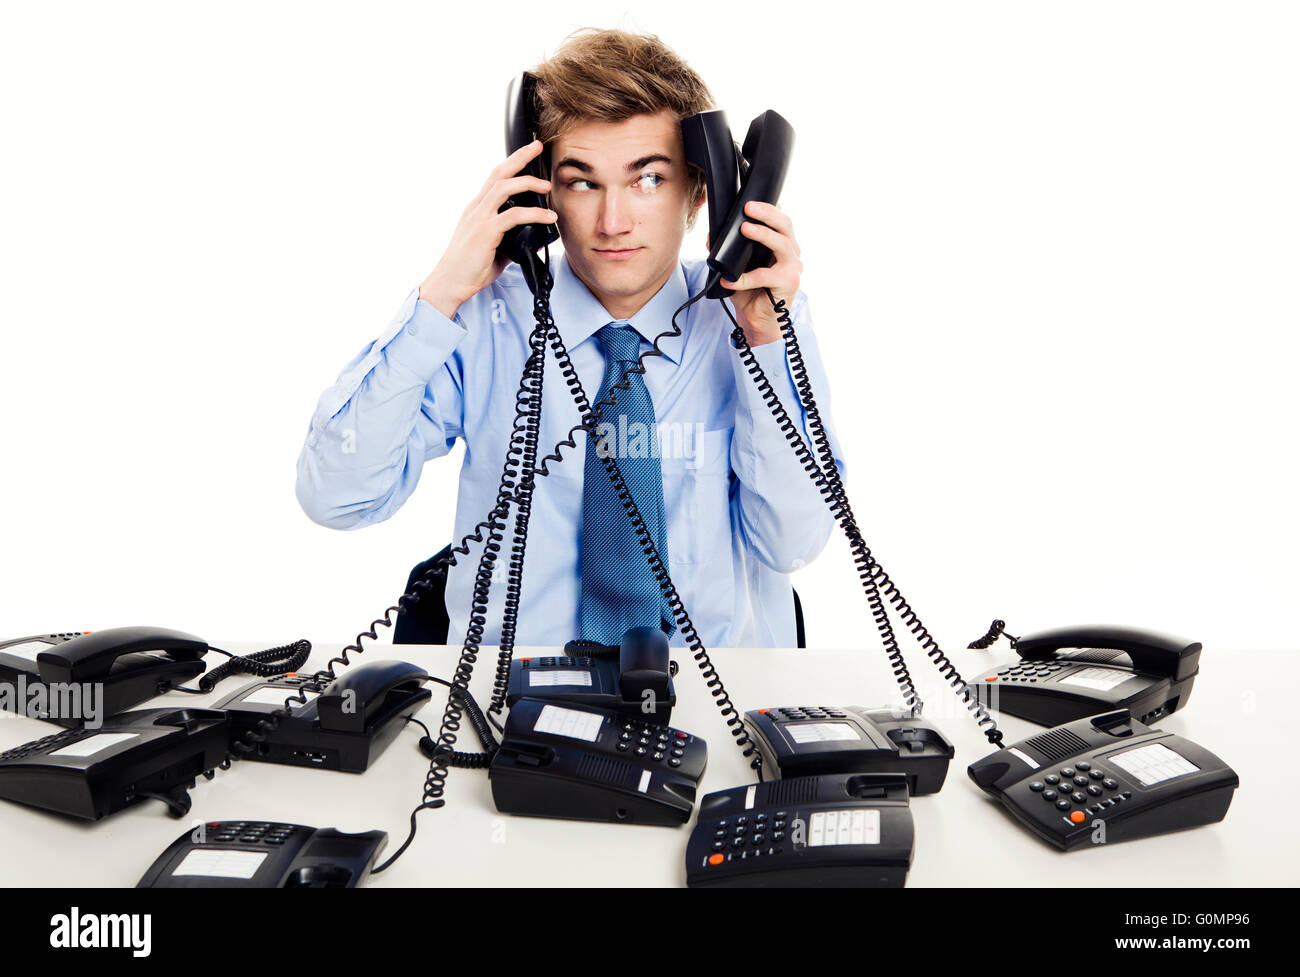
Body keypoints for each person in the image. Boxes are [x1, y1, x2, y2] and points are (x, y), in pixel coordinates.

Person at [295, 28, 845, 649]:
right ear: (540, 189)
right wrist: (440, 293)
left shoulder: (755, 324)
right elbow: (336, 498)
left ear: (703, 190)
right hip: (512, 710)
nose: (613, 222)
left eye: (648, 179)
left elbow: (794, 542)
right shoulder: (485, 321)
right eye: (582, 182)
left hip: (716, 708)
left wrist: (766, 340)